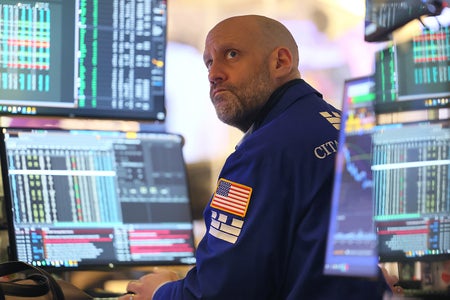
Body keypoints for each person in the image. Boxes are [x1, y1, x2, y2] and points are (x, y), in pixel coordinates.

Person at [119, 14, 390, 300]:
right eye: (209, 62)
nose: (214, 74)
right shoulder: (343, 127)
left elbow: (221, 292)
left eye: (231, 54)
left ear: (280, 62)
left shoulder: (262, 153)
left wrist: (159, 292)